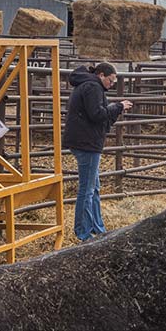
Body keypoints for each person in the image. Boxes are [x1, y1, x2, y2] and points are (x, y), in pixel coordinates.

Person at [63, 62, 132, 242]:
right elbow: (97, 114)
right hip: (87, 142)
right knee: (87, 189)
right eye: (110, 80)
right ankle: (83, 233)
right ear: (101, 75)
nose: (112, 84)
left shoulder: (88, 86)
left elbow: (98, 114)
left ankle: (97, 228)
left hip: (85, 140)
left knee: (93, 187)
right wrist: (118, 107)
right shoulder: (93, 87)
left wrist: (115, 109)